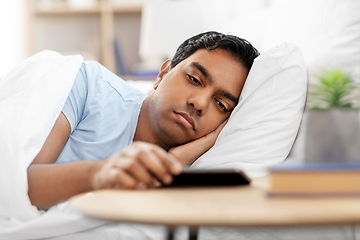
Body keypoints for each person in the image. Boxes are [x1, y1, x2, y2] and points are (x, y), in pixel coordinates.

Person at [27, 31, 260, 210]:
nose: (199, 103)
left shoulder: (203, 163)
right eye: (194, 79)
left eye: (221, 105)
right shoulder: (87, 85)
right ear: (163, 73)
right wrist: (101, 174)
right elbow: (16, 186)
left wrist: (173, 163)